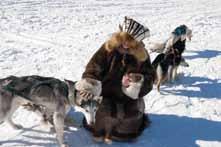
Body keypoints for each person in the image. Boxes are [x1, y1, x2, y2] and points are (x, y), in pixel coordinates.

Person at [75, 16, 155, 142]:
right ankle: (100, 132)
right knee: (101, 112)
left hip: (128, 97)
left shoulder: (141, 55)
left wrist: (136, 82)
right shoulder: (108, 48)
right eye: (124, 39)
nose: (126, 44)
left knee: (130, 117)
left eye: (131, 41)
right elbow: (93, 68)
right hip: (104, 92)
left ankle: (120, 133)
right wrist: (89, 85)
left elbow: (150, 77)